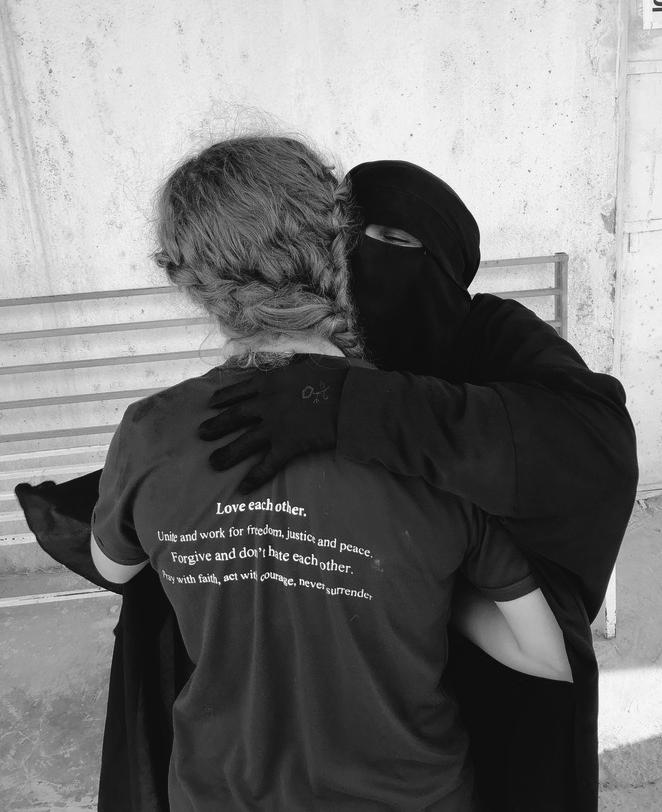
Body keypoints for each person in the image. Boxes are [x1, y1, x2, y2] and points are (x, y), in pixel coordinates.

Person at [89, 135, 572, 811]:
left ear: (186, 279)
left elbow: (113, 570)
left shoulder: (150, 434)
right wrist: (425, 592)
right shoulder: (425, 432)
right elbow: (545, 654)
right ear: (340, 244)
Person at [196, 158, 639, 810]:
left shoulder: (492, 333)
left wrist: (352, 408)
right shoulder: (330, 345)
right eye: (348, 237)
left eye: (396, 240)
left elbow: (591, 443)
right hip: (367, 650)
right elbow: (238, 440)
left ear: (447, 262)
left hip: (498, 643)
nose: (366, 257)